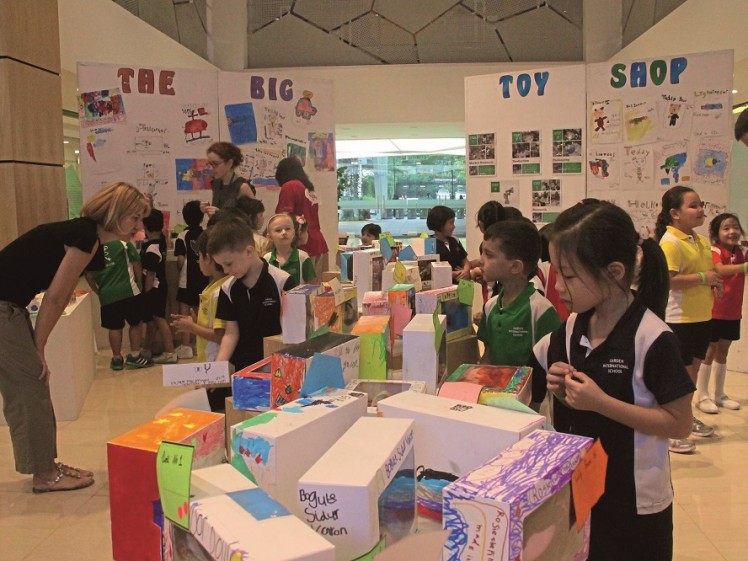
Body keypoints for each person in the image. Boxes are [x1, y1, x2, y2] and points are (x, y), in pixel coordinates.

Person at [530, 202, 694, 561]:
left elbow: (680, 423)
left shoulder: (651, 338)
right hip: (582, 490)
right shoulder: (573, 327)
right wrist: (559, 380)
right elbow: (540, 372)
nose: (558, 286)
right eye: (555, 272)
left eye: (569, 276)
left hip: (634, 501)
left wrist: (601, 402)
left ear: (615, 272)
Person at [0, 180, 149, 492]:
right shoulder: (84, 236)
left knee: (28, 386)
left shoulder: (90, 240)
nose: (138, 225)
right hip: (4, 309)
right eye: (134, 217)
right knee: (31, 385)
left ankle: (45, 465)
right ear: (117, 212)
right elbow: (55, 297)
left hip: (10, 308)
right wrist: (39, 349)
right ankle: (44, 473)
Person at [656, 186, 723, 453]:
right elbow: (669, 281)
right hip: (679, 320)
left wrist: (715, 281)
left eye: (701, 204)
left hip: (702, 317)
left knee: (692, 374)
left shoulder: (700, 240)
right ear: (674, 213)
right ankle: (671, 428)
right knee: (679, 377)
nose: (700, 210)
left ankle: (685, 418)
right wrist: (704, 279)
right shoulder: (669, 242)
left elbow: (710, 270)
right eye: (693, 206)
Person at [209, 218, 295, 409]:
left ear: (248, 251)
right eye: (221, 266)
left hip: (278, 368)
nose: (225, 270)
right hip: (244, 370)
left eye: (229, 264)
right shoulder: (227, 289)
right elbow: (231, 333)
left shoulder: (282, 281)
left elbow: (291, 333)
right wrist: (216, 369)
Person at [476, 220, 561, 410]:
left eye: (489, 255)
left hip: (530, 407)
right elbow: (488, 356)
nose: (480, 260)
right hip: (495, 403)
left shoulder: (541, 310)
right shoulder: (490, 307)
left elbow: (549, 368)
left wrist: (534, 406)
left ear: (515, 267)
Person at [84, 210, 150, 370]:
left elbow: (88, 275)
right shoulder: (123, 244)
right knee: (135, 323)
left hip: (107, 295)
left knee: (114, 327)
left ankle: (117, 359)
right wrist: (139, 282)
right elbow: (136, 264)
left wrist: (99, 291)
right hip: (129, 291)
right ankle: (135, 355)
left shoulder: (94, 250)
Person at [696, 213, 746, 412]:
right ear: (716, 233)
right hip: (714, 311)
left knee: (723, 352)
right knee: (709, 352)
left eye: (735, 227)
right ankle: (703, 396)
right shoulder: (714, 250)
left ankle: (719, 395)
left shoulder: (742, 250)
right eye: (726, 228)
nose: (732, 231)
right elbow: (721, 269)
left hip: (733, 312)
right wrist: (745, 267)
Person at [171, 229, 228, 363]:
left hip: (216, 361)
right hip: (210, 359)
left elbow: (220, 336)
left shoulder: (220, 292)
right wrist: (196, 323)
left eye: (199, 256)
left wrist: (192, 327)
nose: (198, 261)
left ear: (208, 259)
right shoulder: (214, 286)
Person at [275, 156, 329, 281]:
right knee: (316, 291)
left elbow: (283, 217)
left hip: (302, 246)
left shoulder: (290, 186)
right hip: (318, 243)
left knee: (299, 292)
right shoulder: (308, 189)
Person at [140, 209, 178, 364]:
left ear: (146, 227)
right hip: (160, 287)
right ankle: (146, 349)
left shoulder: (151, 249)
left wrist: (146, 292)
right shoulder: (160, 241)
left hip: (154, 289)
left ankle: (170, 352)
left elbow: (150, 274)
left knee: (159, 319)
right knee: (152, 320)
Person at [173, 200, 208, 360]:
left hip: (186, 279)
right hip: (204, 278)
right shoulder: (206, 234)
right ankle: (201, 343)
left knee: (184, 310)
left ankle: (186, 346)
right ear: (201, 218)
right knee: (203, 311)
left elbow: (180, 260)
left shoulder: (182, 235)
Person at [200, 141, 255, 216]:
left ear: (229, 163)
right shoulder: (216, 183)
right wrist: (208, 210)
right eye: (209, 164)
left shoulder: (242, 187)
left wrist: (221, 214)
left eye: (215, 164)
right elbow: (216, 221)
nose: (211, 168)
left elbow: (254, 220)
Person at [264, 213, 316, 288]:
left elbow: (312, 286)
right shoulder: (266, 259)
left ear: (294, 233)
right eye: (278, 230)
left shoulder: (303, 257)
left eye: (288, 229)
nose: (284, 233)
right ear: (270, 237)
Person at [427, 205, 470, 283]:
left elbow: (465, 260)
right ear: (440, 224)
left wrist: (466, 270)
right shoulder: (429, 243)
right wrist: (452, 274)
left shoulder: (454, 240)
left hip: (460, 286)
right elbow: (429, 269)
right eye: (451, 223)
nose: (454, 227)